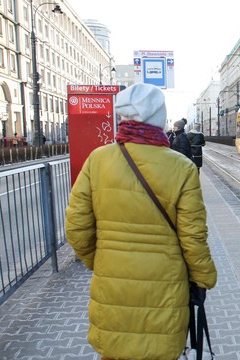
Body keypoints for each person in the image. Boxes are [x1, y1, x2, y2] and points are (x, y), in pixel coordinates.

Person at [65, 83, 217, 360]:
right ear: (159, 119)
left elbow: (76, 227)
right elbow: (193, 237)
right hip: (165, 287)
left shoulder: (98, 160)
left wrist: (100, 261)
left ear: (123, 117)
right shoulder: (181, 167)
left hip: (113, 285)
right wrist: (204, 277)